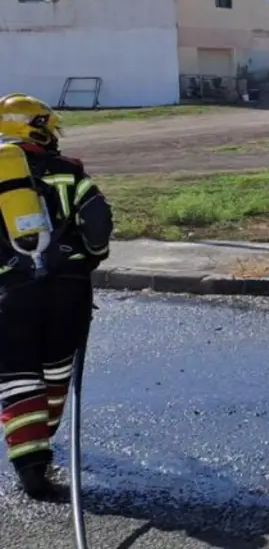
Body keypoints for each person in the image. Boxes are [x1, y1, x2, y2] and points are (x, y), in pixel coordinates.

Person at [0, 94, 113, 501]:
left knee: (17, 380)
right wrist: (90, 259)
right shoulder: (69, 172)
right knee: (54, 374)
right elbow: (98, 219)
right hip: (69, 291)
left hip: (10, 294)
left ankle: (32, 467)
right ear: (36, 128)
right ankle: (42, 443)